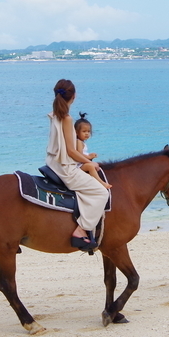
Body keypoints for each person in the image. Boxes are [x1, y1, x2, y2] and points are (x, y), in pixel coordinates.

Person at [46, 79, 110, 251]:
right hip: (65, 167)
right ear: (73, 97)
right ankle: (81, 230)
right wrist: (90, 162)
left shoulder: (53, 115)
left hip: (52, 163)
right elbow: (71, 151)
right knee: (101, 193)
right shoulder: (67, 118)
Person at [73, 113, 112, 190]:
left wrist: (90, 155)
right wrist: (89, 157)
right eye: (84, 131)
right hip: (78, 165)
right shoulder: (78, 142)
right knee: (91, 167)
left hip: (82, 163)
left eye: (88, 131)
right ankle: (101, 182)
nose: (87, 133)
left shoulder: (81, 142)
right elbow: (79, 155)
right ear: (77, 132)